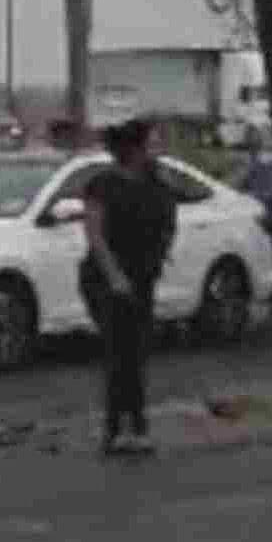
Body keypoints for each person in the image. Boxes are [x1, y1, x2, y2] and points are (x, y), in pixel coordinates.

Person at [80, 118, 178, 456]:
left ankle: (137, 425)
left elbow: (168, 223)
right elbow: (95, 234)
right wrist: (114, 276)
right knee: (118, 351)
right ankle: (115, 428)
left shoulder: (157, 183)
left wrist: (160, 257)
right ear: (131, 149)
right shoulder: (102, 185)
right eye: (148, 144)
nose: (154, 150)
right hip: (107, 278)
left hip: (143, 276)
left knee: (137, 352)